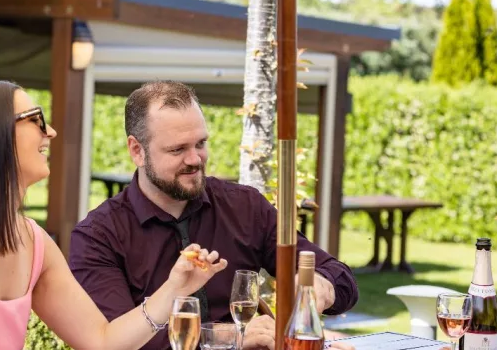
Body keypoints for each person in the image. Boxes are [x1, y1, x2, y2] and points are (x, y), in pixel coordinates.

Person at [0, 80, 227, 349]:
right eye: (36, 120)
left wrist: (175, 288)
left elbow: (102, 341)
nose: (49, 132)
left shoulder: (33, 241)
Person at [68, 80, 359, 350]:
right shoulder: (98, 236)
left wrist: (317, 289)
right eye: (177, 149)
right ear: (137, 150)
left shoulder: (244, 206)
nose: (195, 160)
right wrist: (228, 337)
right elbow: (116, 341)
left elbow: (341, 278)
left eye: (201, 144)